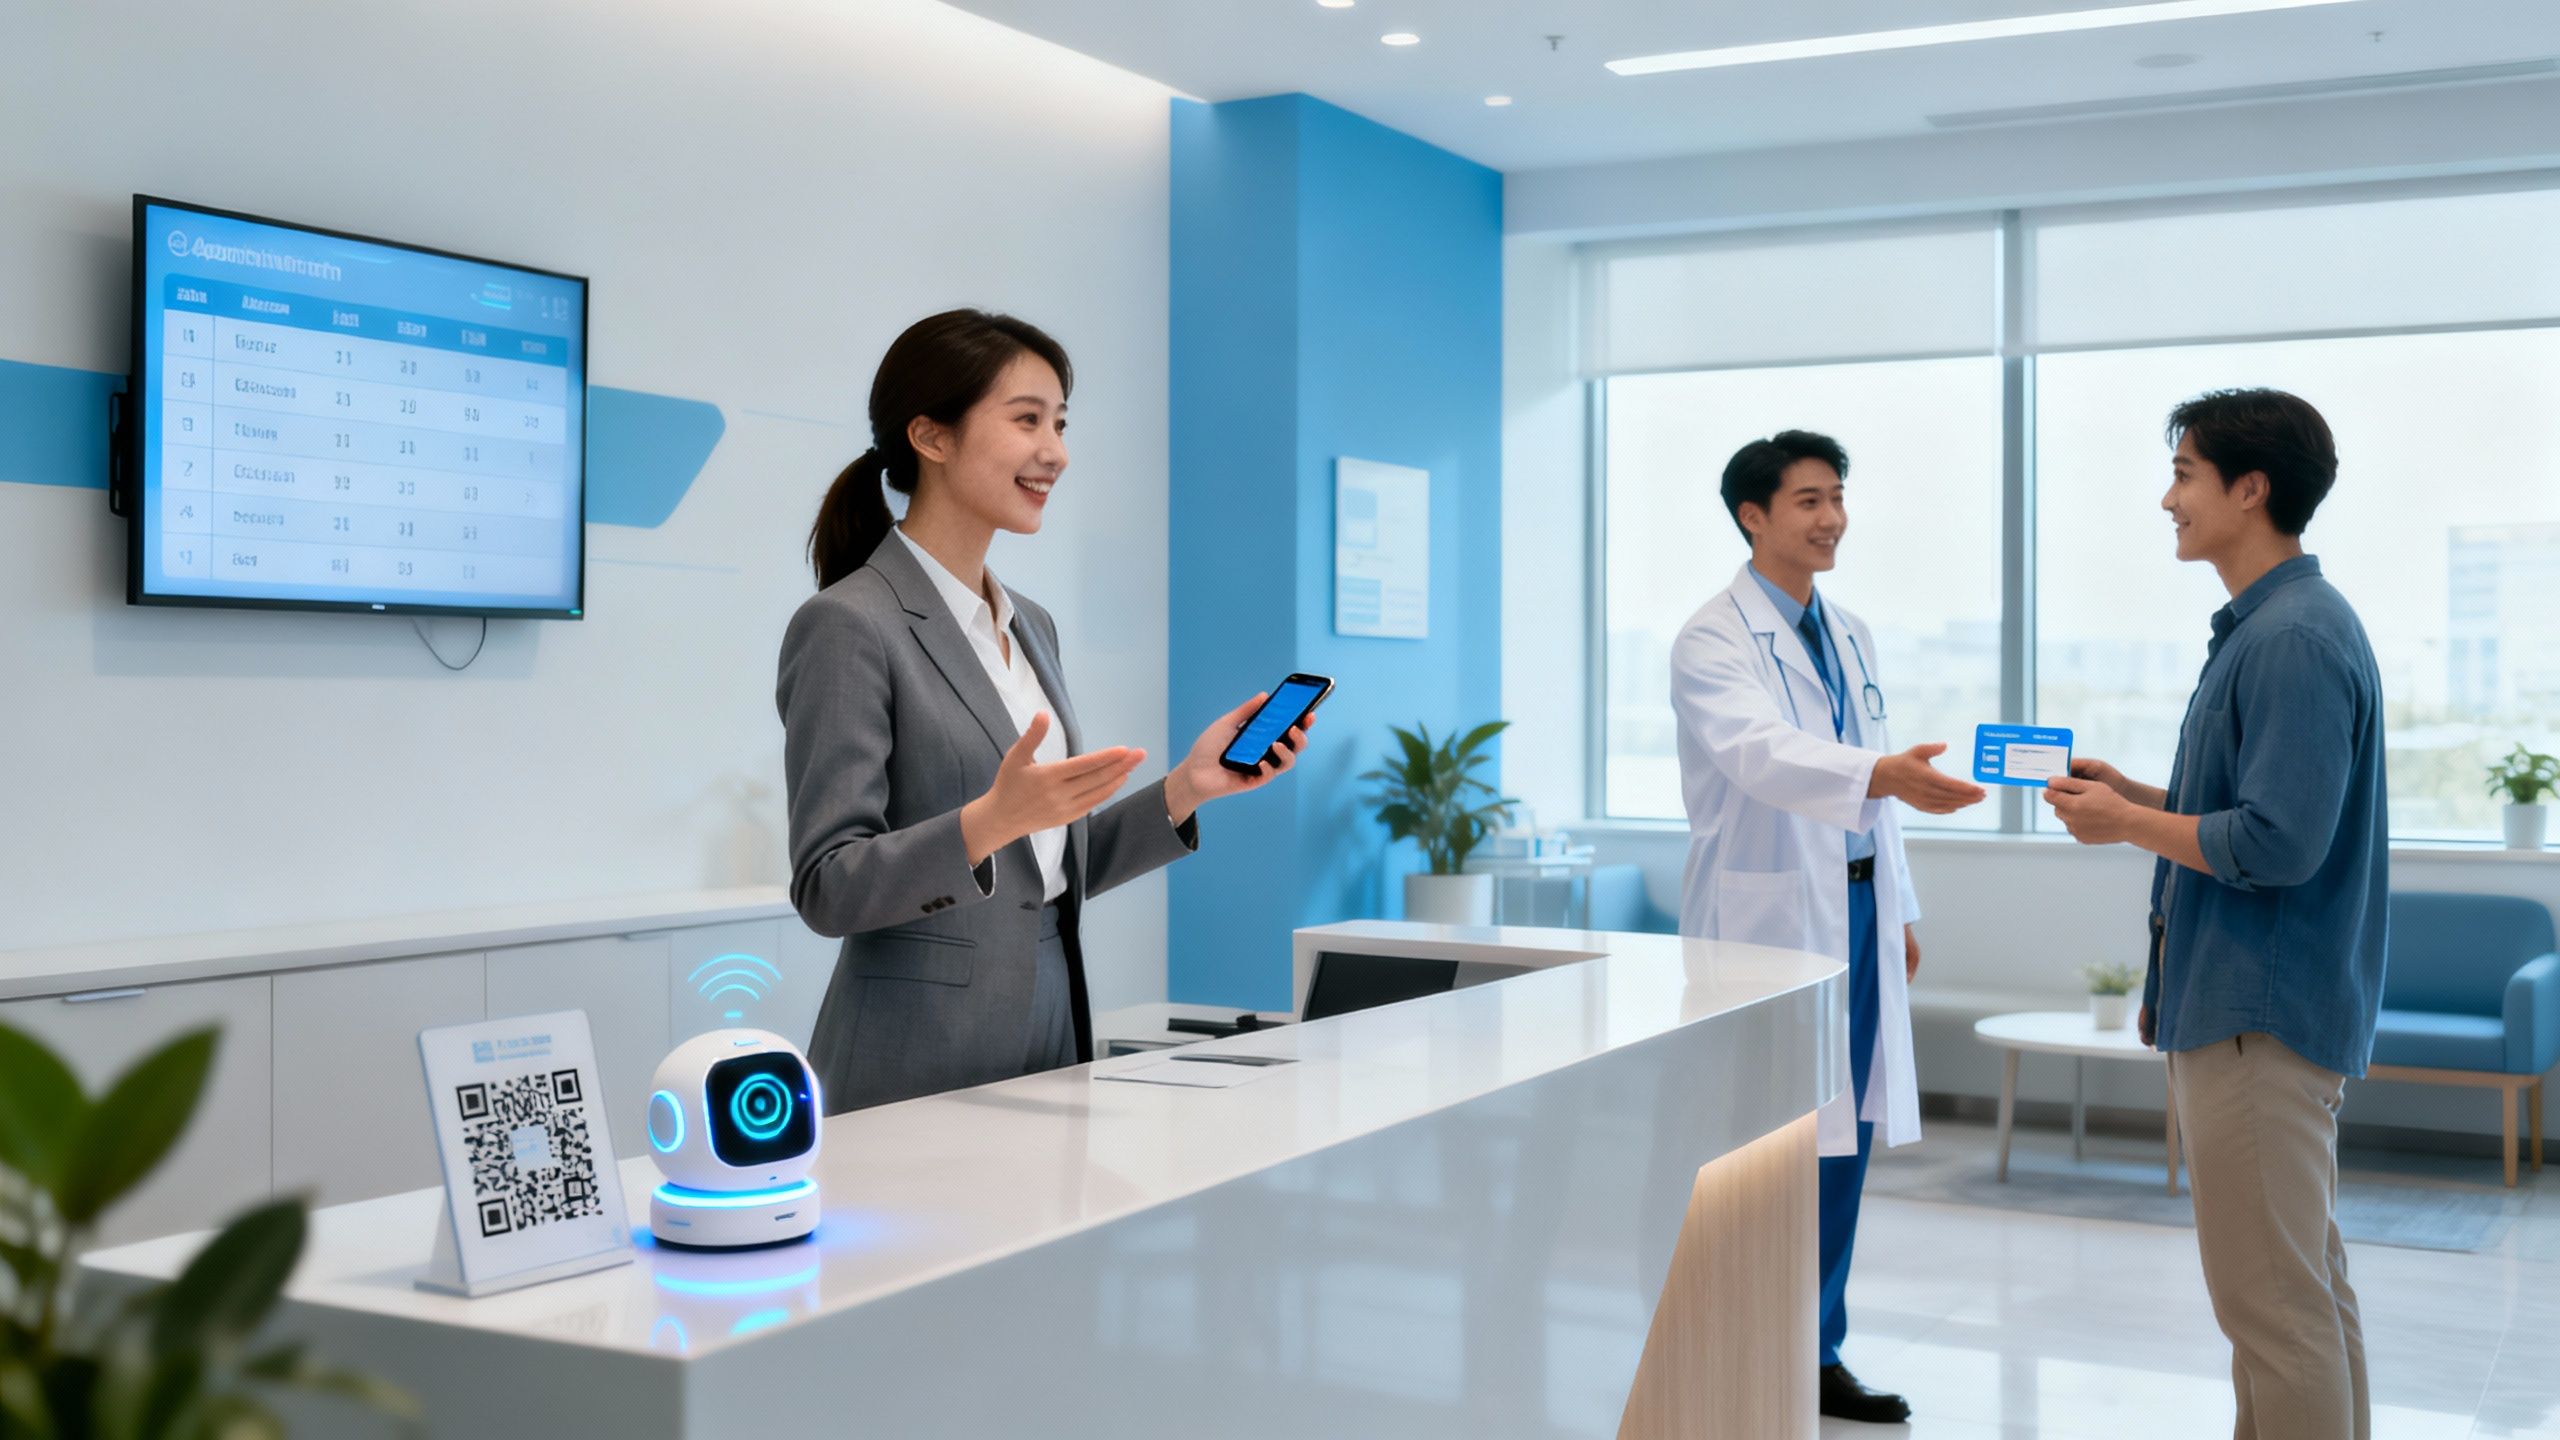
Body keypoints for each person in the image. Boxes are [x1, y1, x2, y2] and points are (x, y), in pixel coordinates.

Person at [777, 309, 1312, 1113]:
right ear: (931, 436)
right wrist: (987, 823)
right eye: (1026, 420)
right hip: (915, 1054)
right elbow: (829, 886)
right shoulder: (849, 625)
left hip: (1052, 1025)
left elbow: (1050, 864)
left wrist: (1188, 787)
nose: (1055, 451)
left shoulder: (1030, 624)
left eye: (1059, 424)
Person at [2044, 389, 2386, 1440]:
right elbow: (2251, 811)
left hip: (2253, 1016)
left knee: (2274, 1315)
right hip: (2256, 1011)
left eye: (2184, 474)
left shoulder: (2289, 638)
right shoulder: (2278, 628)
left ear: (2251, 489)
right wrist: (2137, 799)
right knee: (2300, 1295)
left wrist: (2125, 827)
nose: (2167, 499)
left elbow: (2280, 844)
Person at [1668, 429, 1988, 1424]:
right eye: (1808, 500)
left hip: (1855, 904)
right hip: (1762, 919)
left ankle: (1815, 1351)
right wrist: (1882, 774)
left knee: (1842, 1139)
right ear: (1752, 516)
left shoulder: (1848, 632)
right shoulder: (1711, 638)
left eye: (1837, 497)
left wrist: (1900, 908)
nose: (1832, 518)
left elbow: (1878, 785)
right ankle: (1731, 1344)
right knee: (1759, 1145)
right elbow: (1758, 753)